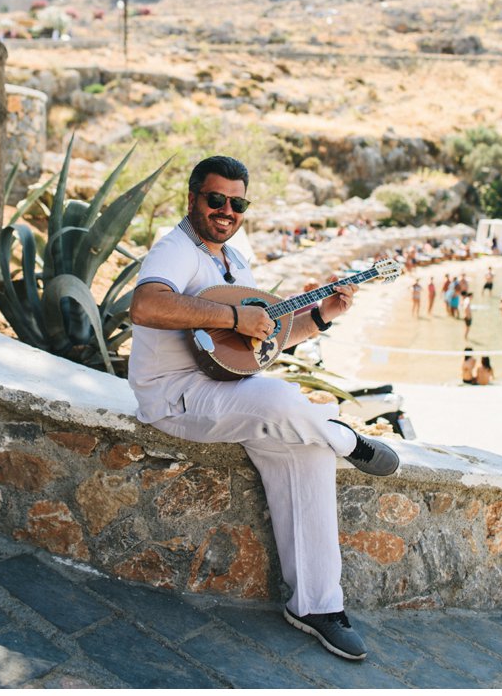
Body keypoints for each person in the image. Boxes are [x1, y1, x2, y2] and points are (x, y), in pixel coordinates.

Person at [126, 156, 398, 661]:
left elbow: (259, 343)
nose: (226, 210)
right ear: (193, 199)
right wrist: (233, 314)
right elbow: (146, 305)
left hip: (227, 387)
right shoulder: (176, 250)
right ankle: (348, 439)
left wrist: (320, 316)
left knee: (309, 452)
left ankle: (317, 605)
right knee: (283, 399)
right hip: (173, 395)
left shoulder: (236, 263)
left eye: (237, 202)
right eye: (216, 199)